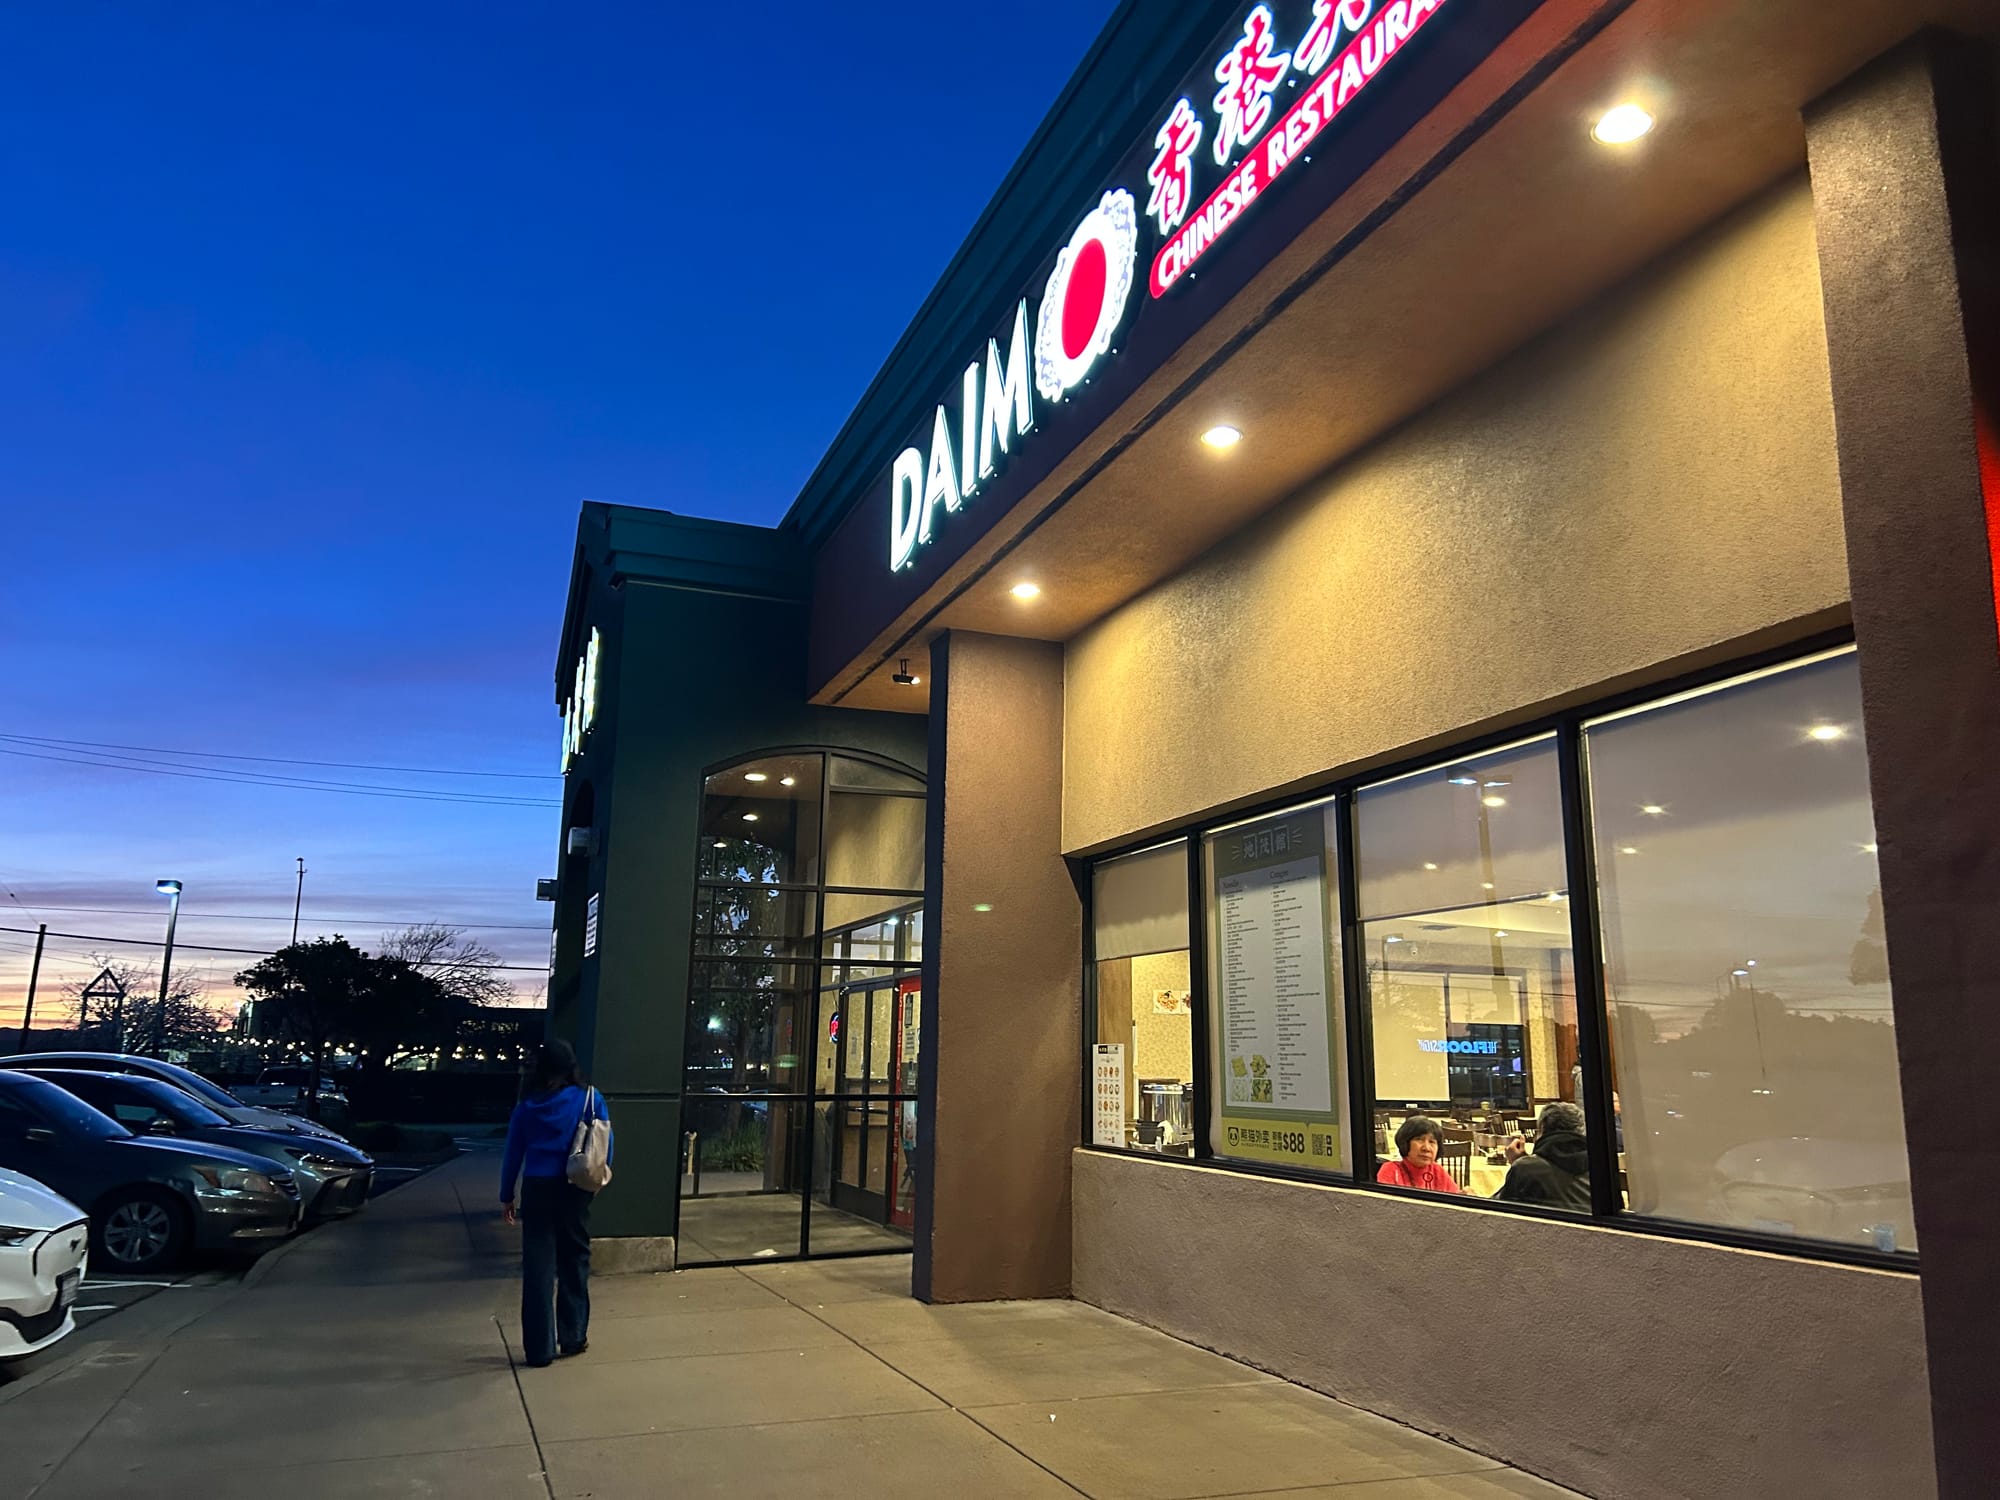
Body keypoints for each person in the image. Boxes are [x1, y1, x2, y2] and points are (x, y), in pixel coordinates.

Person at [500, 1040, 612, 1367]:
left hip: (536, 1187)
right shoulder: (590, 1099)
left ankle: (539, 1349)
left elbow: (512, 1154)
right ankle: (573, 1335)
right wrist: (594, 1184)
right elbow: (606, 1145)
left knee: (537, 1267)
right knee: (574, 1258)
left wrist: (507, 1195)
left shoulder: (527, 1105)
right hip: (573, 1186)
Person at [1496, 1101, 1591, 1210]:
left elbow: (1500, 1214)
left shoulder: (1526, 1169)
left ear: (1541, 1129)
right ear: (1582, 1131)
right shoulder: (1603, 1168)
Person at [1376, 1116, 1464, 1193]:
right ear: (1405, 1143)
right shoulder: (1391, 1170)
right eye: (1419, 1139)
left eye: (1432, 1142)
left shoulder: (1438, 1171)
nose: (1426, 1148)